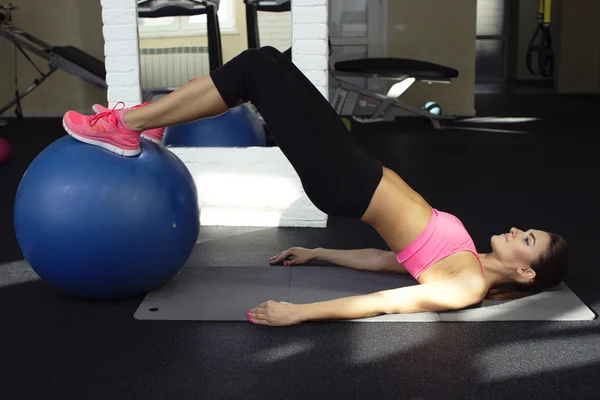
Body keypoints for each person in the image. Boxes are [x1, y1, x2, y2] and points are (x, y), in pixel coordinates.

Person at [62, 47, 569, 327]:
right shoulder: (471, 262)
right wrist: (319, 251)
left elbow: (385, 302)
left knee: (258, 72)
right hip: (356, 171)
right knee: (268, 60)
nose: (519, 229)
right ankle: (146, 121)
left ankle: (128, 126)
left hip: (347, 179)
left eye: (528, 239)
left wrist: (300, 313)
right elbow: (388, 262)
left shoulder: (468, 286)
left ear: (525, 271)